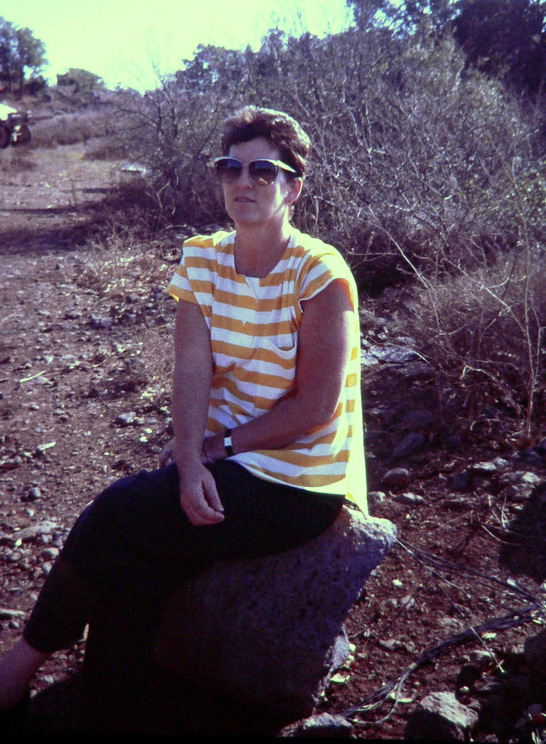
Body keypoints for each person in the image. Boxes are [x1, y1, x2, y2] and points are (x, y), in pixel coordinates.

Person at [0, 106, 367, 732]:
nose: (244, 182)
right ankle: (106, 710)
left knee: (119, 512)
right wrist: (191, 456)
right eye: (231, 168)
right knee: (139, 567)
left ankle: (15, 671)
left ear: (293, 189)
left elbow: (316, 407)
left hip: (299, 481)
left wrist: (220, 447)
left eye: (263, 171)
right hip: (224, 458)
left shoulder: (320, 273)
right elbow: (192, 369)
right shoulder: (202, 259)